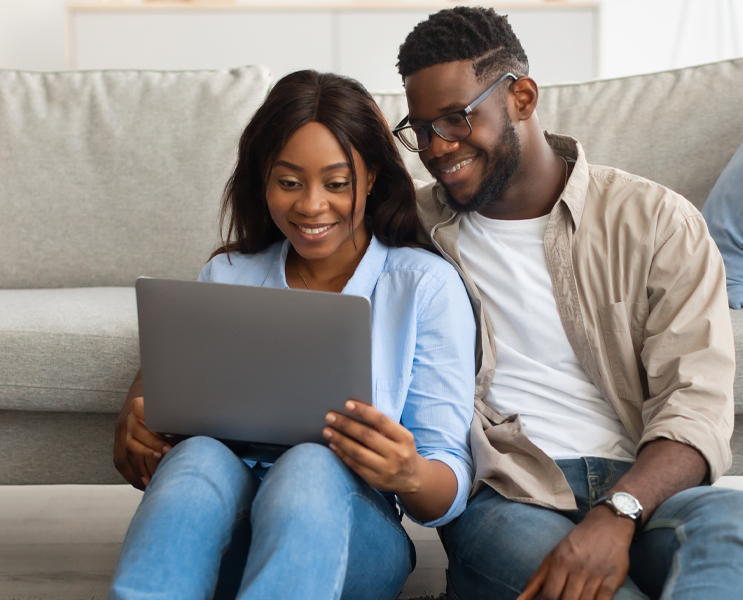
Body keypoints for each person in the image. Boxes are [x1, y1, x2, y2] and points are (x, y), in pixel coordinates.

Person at [391, 7, 743, 600]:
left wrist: (619, 511)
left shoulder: (656, 222)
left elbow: (695, 402)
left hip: (644, 485)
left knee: (738, 518)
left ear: (521, 97)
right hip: (507, 498)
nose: (436, 148)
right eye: (419, 129)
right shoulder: (409, 230)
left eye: (456, 120)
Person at [108, 70, 478, 600]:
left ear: (370, 178)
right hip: (223, 537)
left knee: (309, 462)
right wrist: (138, 430)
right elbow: (153, 414)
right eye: (288, 182)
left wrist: (410, 472)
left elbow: (450, 487)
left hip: (348, 538)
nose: (310, 206)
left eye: (336, 183)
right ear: (263, 180)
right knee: (197, 458)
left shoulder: (423, 286)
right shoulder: (227, 277)